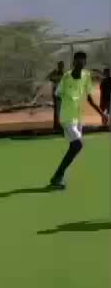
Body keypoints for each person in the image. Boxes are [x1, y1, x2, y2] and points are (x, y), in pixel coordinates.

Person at [49, 51, 108, 190]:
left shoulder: (86, 76)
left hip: (78, 118)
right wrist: (58, 113)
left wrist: (102, 114)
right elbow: (57, 95)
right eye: (78, 62)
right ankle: (57, 176)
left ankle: (58, 177)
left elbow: (89, 98)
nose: (80, 64)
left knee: (74, 148)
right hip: (66, 117)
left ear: (85, 63)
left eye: (83, 62)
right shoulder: (66, 77)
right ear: (74, 62)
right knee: (78, 145)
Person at [47, 60, 64, 131]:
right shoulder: (55, 72)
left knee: (60, 109)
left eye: (62, 65)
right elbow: (49, 77)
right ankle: (57, 125)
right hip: (56, 93)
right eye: (60, 65)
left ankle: (58, 125)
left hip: (62, 93)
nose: (61, 67)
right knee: (57, 109)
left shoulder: (63, 73)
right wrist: (56, 77)